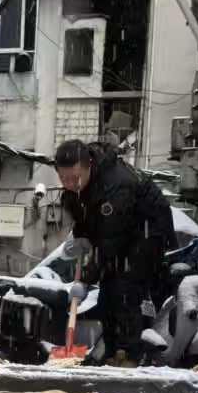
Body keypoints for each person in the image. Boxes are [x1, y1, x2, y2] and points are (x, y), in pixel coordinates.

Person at [54, 138, 174, 364]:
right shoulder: (77, 190)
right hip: (120, 232)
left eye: (75, 178)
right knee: (107, 295)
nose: (69, 184)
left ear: (89, 166)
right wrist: (82, 241)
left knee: (124, 288)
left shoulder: (116, 186)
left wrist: (87, 278)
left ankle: (128, 355)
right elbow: (85, 222)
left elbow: (110, 242)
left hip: (148, 230)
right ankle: (112, 352)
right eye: (63, 178)